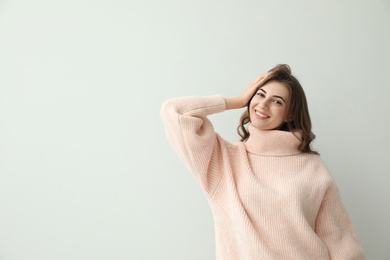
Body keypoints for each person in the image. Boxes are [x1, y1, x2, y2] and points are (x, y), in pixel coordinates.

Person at [159, 64, 366, 260]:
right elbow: (174, 112)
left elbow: (342, 243)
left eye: (277, 101)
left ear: (291, 113)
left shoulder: (313, 167)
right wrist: (237, 100)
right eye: (260, 94)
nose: (263, 104)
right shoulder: (224, 161)